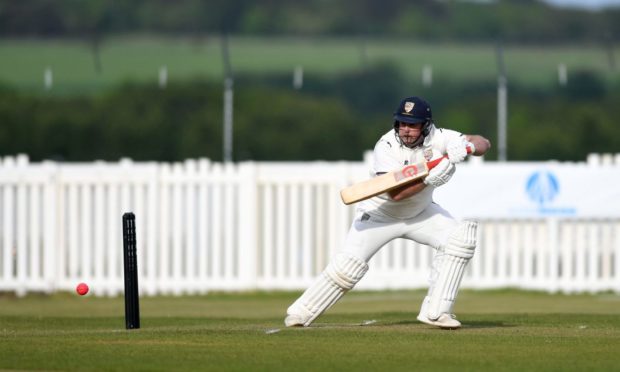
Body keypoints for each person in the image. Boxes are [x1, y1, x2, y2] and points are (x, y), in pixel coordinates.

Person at [284, 96, 491, 329]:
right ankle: (300, 313)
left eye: (412, 125)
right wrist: (430, 179)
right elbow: (396, 194)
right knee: (347, 268)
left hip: (420, 214)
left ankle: (436, 312)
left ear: (426, 125)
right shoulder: (386, 145)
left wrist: (468, 146)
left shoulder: (439, 136)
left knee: (460, 240)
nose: (406, 130)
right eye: (402, 124)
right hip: (379, 215)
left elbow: (484, 142)